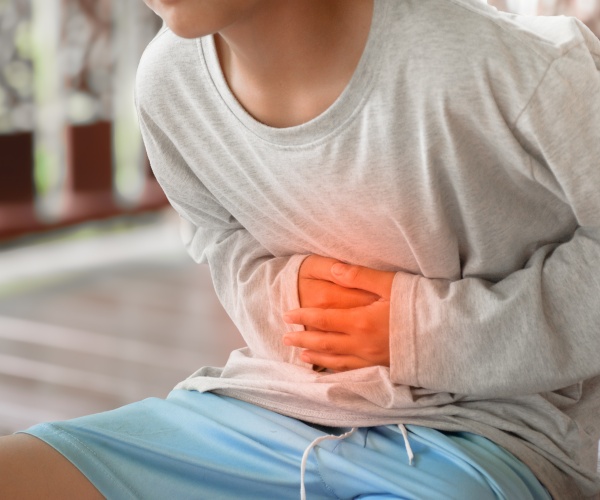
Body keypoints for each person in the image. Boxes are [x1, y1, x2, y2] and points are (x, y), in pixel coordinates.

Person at [1, 0, 599, 498]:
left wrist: (423, 332)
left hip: (493, 438)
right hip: (273, 410)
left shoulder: (510, 65)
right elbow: (220, 239)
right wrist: (286, 299)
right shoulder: (167, 85)